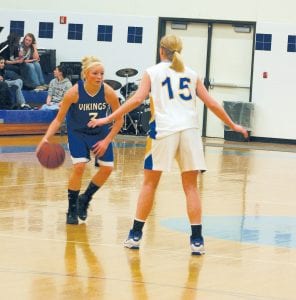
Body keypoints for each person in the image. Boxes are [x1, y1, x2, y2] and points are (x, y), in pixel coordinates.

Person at [88, 34, 248, 255]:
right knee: (191, 187)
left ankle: (135, 235)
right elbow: (211, 103)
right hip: (190, 132)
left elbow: (135, 100)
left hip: (163, 131)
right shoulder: (191, 74)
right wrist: (233, 124)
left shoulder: (152, 72)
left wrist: (107, 118)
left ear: (161, 50)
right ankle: (197, 240)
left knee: (149, 184)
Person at [36, 56, 123, 225]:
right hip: (77, 133)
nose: (99, 77)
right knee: (79, 167)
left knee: (107, 169)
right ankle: (72, 209)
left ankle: (85, 198)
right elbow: (58, 120)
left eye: (102, 74)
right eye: (95, 73)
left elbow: (119, 120)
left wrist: (106, 141)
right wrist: (45, 139)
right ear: (85, 74)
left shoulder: (108, 92)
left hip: (100, 133)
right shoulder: (73, 93)